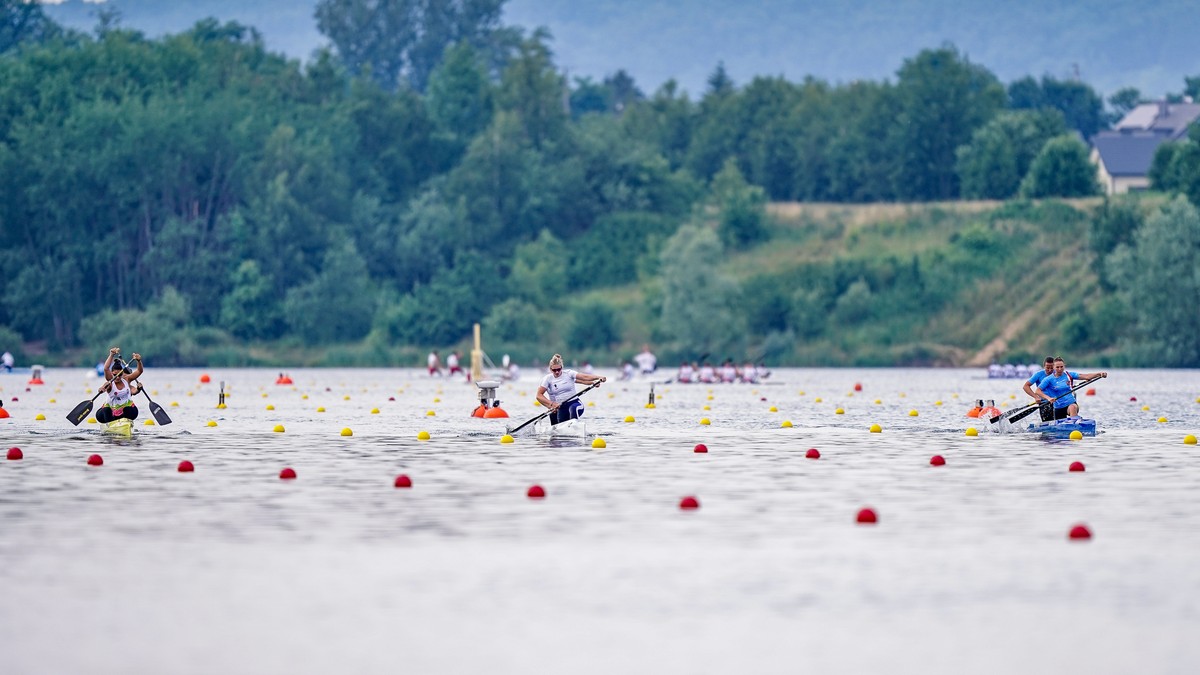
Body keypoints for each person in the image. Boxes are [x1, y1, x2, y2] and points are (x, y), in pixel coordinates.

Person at [536, 354, 606, 426]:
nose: (557, 372)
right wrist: (551, 405)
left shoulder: (569, 374)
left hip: (574, 403)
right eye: (554, 370)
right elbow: (538, 396)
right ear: (550, 369)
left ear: (562, 367)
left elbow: (584, 377)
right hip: (560, 407)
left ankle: (574, 426)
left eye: (559, 369)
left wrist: (598, 378)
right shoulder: (547, 379)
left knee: (573, 408)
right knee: (556, 420)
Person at [1032, 357, 1107, 420]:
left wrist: (1099, 374)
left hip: (1071, 403)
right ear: (1054, 368)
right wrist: (1048, 398)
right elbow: (1038, 391)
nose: (1060, 369)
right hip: (1058, 408)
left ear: (1064, 366)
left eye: (1061, 367)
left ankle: (1074, 422)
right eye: (1057, 367)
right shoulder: (1048, 379)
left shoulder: (1069, 375)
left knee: (1072, 407)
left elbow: (1086, 376)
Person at [96, 347, 143, 424]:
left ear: (122, 373)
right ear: (112, 373)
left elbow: (139, 371)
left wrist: (139, 361)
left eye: (120, 374)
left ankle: (125, 424)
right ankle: (111, 426)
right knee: (106, 410)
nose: (117, 377)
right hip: (110, 413)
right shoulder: (110, 382)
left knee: (128, 409)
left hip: (125, 412)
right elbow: (106, 369)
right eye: (115, 375)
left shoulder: (127, 379)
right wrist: (111, 355)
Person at [1022, 356, 1056, 422]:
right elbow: (1026, 386)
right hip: (1044, 403)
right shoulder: (1038, 374)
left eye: (1052, 368)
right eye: (1047, 368)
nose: (1050, 370)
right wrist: (1036, 397)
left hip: (1058, 401)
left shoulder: (1058, 373)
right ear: (1044, 366)